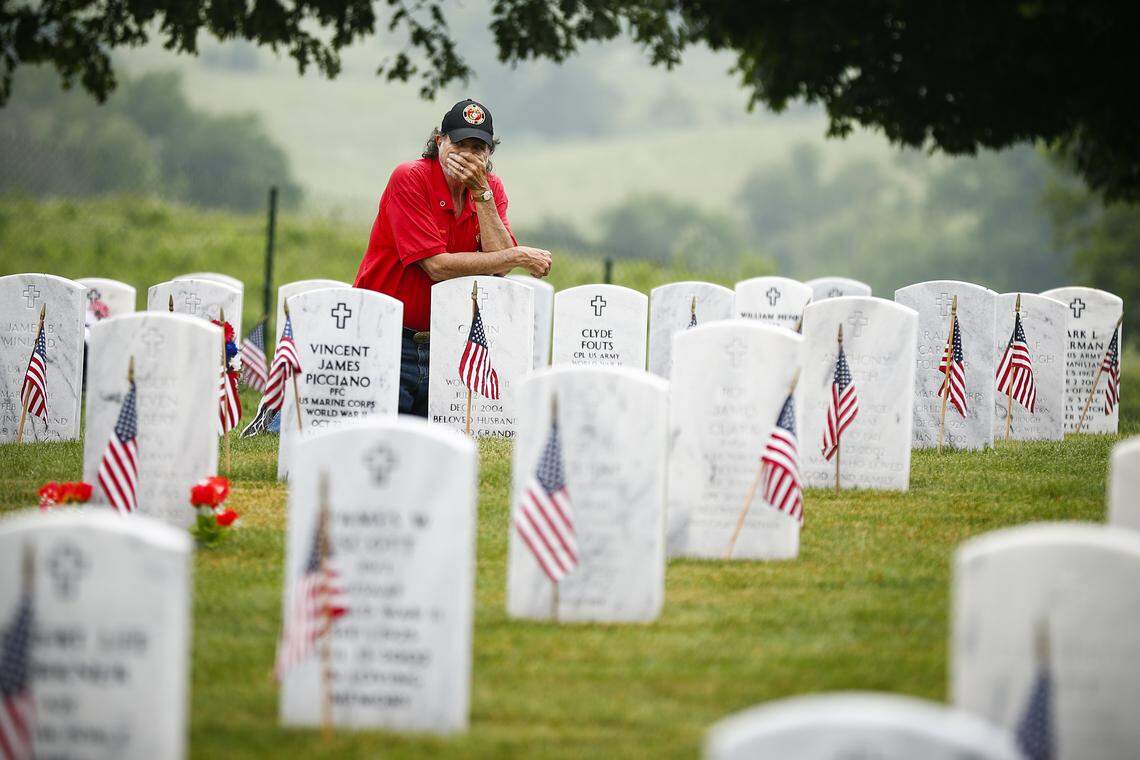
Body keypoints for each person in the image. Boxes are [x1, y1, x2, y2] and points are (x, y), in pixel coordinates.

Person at [354, 98, 552, 417]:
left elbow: (500, 269)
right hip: (387, 335)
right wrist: (515, 254)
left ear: (489, 154)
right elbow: (436, 266)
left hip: (446, 341)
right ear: (439, 142)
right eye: (460, 144)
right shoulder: (410, 178)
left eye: (478, 148)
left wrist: (481, 193)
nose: (469, 156)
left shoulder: (490, 189)